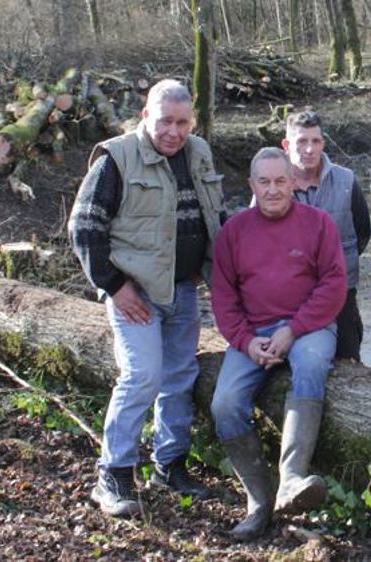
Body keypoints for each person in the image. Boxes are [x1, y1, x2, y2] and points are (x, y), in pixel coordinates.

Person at [69, 79, 223, 517]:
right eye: (165, 121)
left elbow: (215, 215)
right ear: (145, 116)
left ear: (192, 122)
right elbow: (83, 228)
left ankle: (169, 465)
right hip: (135, 294)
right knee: (142, 376)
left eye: (182, 123)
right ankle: (113, 473)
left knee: (180, 377)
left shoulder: (199, 152)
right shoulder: (117, 158)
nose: (173, 132)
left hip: (183, 290)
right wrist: (115, 286)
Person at [211, 147, 348, 540]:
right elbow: (223, 298)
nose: (273, 189)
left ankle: (291, 478)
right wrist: (246, 341)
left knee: (311, 365)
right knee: (225, 404)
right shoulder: (234, 232)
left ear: (293, 182)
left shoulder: (318, 223)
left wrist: (293, 330)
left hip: (309, 327)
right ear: (252, 185)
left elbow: (334, 284)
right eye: (264, 182)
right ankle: (259, 502)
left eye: (280, 181)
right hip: (253, 332)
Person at [280, 110, 370, 361]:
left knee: (348, 362)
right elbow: (255, 242)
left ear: (323, 143)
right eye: (301, 141)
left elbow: (363, 233)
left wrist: (336, 264)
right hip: (288, 296)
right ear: (286, 145)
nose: (309, 149)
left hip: (342, 293)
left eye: (316, 141)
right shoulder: (271, 183)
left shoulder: (346, 180)